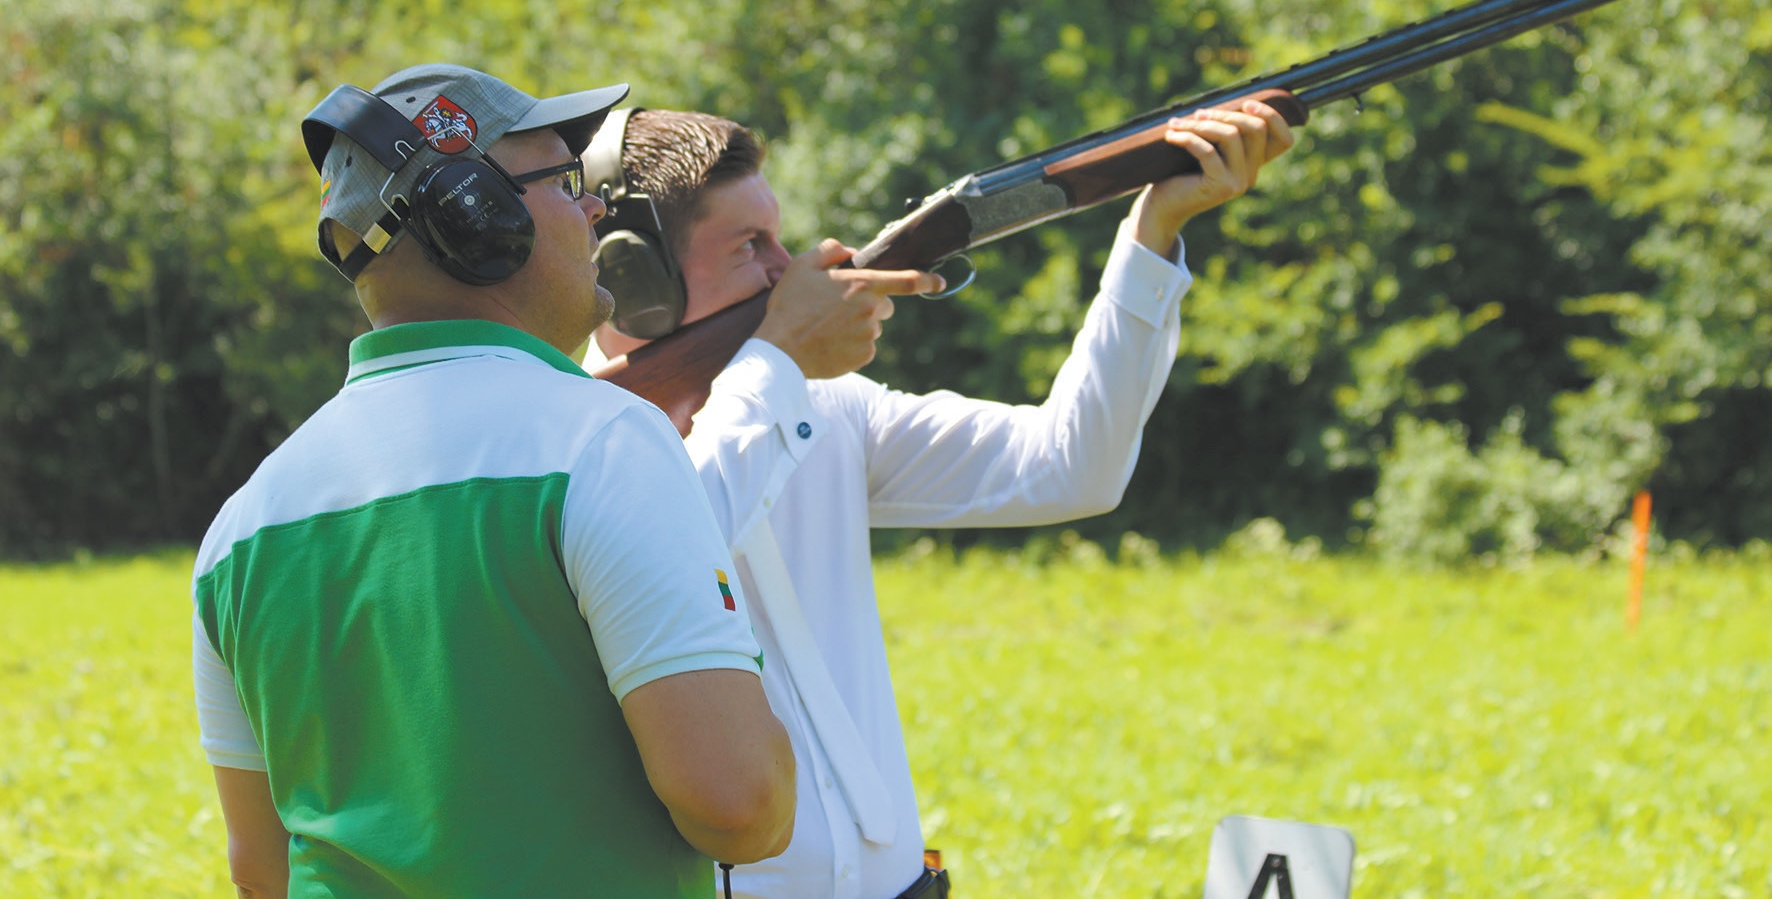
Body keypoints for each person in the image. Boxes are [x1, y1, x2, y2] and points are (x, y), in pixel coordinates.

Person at [581, 100, 1294, 899]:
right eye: (752, 247)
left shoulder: (825, 406)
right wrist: (776, 363)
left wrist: (1153, 232)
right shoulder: (577, 450)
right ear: (634, 279)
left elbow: (1072, 464)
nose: (794, 266)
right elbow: (680, 549)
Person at [191, 64, 794, 899]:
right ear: (476, 217)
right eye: (566, 181)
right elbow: (740, 805)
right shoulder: (603, 442)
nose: (595, 209)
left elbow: (261, 870)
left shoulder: (240, 526)